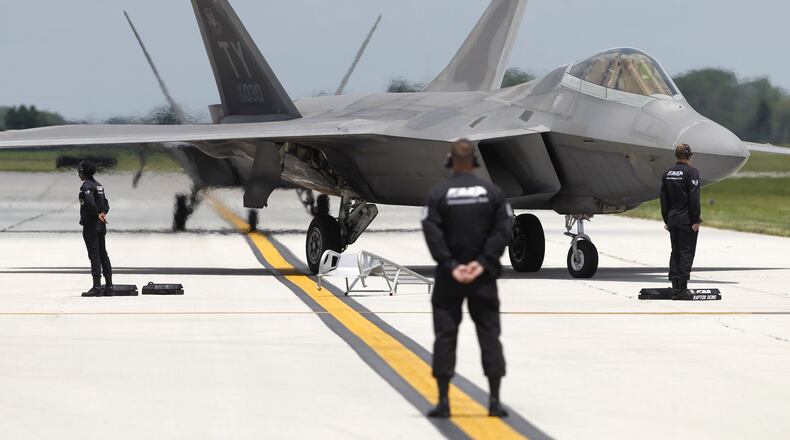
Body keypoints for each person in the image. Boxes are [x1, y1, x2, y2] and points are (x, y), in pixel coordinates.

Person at [421, 139, 513, 418]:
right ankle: (495, 402)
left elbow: (432, 230)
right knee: (489, 335)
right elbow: (503, 229)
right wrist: (482, 263)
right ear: (474, 161)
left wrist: (451, 265)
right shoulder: (492, 193)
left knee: (445, 337)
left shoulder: (439, 194)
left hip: (450, 279)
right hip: (483, 278)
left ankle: (444, 401)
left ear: (451, 161)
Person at [660, 143, 702, 298]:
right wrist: (696, 220)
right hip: (686, 221)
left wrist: (666, 218)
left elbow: (663, 198)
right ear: (689, 155)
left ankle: (675, 287)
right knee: (686, 252)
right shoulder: (692, 173)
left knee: (675, 253)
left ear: (676, 155)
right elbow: (694, 198)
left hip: (672, 220)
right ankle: (682, 289)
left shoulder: (667, 173)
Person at [78, 161, 113, 296]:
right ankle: (109, 286)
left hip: (91, 225)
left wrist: (96, 214)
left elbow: (90, 203)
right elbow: (106, 203)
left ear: (82, 172)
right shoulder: (99, 186)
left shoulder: (86, 186)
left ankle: (97, 286)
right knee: (103, 254)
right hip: (101, 225)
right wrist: (103, 213)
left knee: (94, 255)